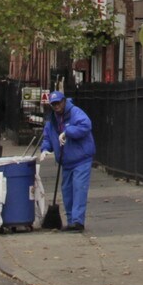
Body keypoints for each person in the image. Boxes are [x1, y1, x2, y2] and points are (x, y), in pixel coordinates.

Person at [38, 88, 96, 233]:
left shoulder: (75, 113)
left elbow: (85, 126)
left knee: (79, 189)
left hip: (81, 158)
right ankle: (71, 221)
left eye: (58, 103)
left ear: (64, 101)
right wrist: (45, 149)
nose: (56, 106)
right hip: (66, 161)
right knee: (67, 191)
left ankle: (77, 221)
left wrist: (67, 132)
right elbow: (47, 137)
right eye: (54, 104)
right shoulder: (52, 120)